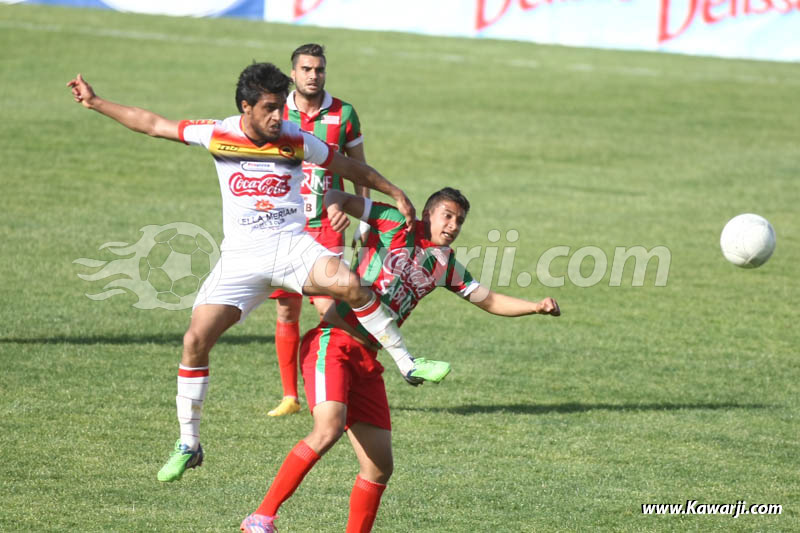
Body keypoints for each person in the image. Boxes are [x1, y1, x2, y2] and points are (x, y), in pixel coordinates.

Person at [66, 63, 452, 484]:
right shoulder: (217, 133)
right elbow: (153, 123)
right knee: (195, 339)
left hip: (292, 246)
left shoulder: (294, 139)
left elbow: (345, 166)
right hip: (241, 258)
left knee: (353, 286)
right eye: (269, 108)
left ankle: (407, 362)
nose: (278, 118)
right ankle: (188, 444)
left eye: (280, 108)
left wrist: (393, 190)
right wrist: (95, 101)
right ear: (246, 107)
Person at [240, 187, 561, 533]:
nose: (453, 226)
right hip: (332, 344)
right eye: (447, 216)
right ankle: (261, 516)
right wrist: (334, 209)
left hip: (369, 358)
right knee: (328, 428)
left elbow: (490, 300)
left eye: (460, 221)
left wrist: (535, 307)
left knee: (379, 466)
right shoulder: (396, 224)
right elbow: (338, 194)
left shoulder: (444, 265)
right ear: (428, 214)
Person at [266, 43, 372, 418]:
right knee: (286, 307)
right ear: (293, 73)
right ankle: (290, 396)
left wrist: (363, 217)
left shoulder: (344, 114)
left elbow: (359, 169)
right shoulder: (276, 111)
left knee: (330, 306)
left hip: (328, 224)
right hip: (283, 223)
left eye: (319, 69)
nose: (314, 75)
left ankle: (350, 377)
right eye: (307, 69)